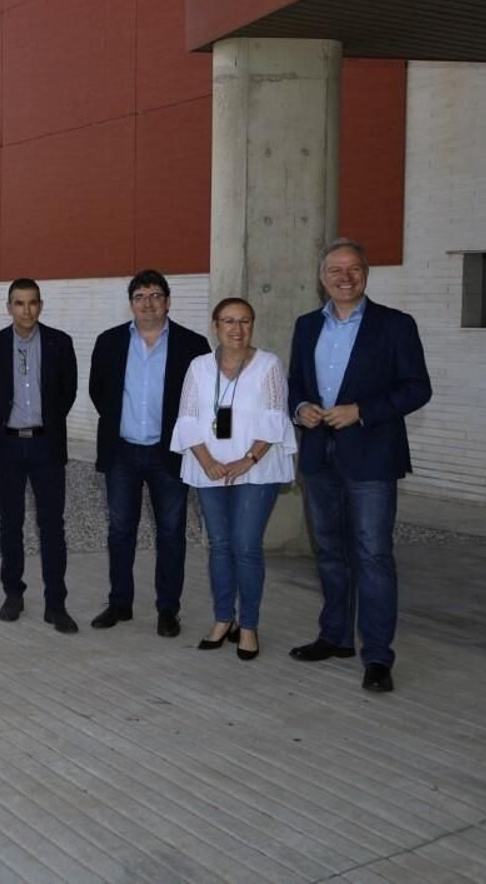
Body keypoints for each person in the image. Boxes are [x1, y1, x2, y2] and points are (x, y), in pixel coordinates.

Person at [288, 238, 431, 693]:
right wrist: (301, 408)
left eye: (353, 269)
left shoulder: (395, 325)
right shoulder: (307, 325)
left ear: (366, 274)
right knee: (329, 552)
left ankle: (377, 656)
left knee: (372, 554)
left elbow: (417, 388)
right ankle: (334, 636)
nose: (344, 277)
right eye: (335, 270)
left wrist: (362, 410)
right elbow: (294, 383)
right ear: (322, 277)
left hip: (371, 455)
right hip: (318, 455)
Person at [170, 297, 296, 661]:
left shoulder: (268, 364)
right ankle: (224, 619)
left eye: (244, 321)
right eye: (228, 321)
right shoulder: (198, 367)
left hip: (256, 470)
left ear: (252, 326)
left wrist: (248, 459)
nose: (236, 329)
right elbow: (188, 418)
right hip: (209, 468)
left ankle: (250, 625)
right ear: (215, 326)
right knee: (220, 545)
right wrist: (207, 461)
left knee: (246, 545)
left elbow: (276, 418)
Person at [88, 270, 210, 638]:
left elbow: (204, 399)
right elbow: (99, 392)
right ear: (131, 303)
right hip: (122, 452)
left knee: (171, 532)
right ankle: (120, 603)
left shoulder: (193, 344)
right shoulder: (109, 341)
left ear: (168, 301)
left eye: (156, 295)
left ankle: (167, 609)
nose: (148, 303)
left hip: (167, 453)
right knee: (120, 530)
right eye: (140, 296)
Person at [0, 279, 79, 633]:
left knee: (52, 526)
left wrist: (45, 424)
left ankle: (56, 603)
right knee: (10, 525)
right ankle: (14, 594)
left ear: (41, 305)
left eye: (32, 303)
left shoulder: (59, 343)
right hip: (7, 446)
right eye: (19, 303)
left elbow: (67, 392)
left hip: (46, 445)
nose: (26, 310)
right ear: (9, 307)